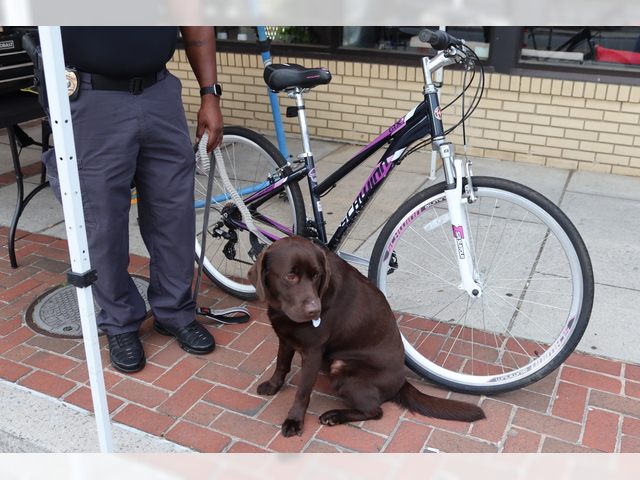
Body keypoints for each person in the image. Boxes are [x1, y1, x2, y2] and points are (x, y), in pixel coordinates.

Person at [41, 26, 223, 373]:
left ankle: (174, 311)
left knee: (174, 214)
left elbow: (194, 16)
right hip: (91, 98)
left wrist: (209, 94)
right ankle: (120, 321)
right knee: (103, 223)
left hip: (160, 93)